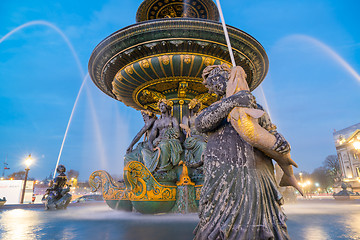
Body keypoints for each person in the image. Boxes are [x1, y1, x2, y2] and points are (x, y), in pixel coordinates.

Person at [193, 64, 291, 239]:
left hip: (257, 171)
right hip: (224, 172)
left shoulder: (255, 106)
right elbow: (201, 124)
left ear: (229, 77)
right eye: (211, 81)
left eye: (220, 76)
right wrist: (233, 101)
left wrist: (280, 143)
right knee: (219, 220)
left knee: (261, 219)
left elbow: (270, 131)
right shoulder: (215, 108)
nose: (216, 82)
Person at [141, 99, 183, 174]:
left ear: (167, 107)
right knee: (144, 150)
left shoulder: (172, 119)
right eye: (160, 106)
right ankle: (150, 170)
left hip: (171, 141)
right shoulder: (157, 122)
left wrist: (167, 137)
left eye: (163, 106)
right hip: (159, 141)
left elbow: (177, 133)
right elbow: (152, 137)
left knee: (164, 145)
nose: (161, 108)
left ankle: (163, 168)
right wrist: (150, 145)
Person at [180, 99, 207, 181]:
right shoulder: (186, 117)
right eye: (196, 106)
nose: (198, 108)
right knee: (202, 145)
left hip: (201, 136)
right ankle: (200, 166)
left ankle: (206, 165)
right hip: (191, 138)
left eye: (199, 106)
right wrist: (189, 131)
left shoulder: (200, 117)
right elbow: (184, 130)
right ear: (192, 106)